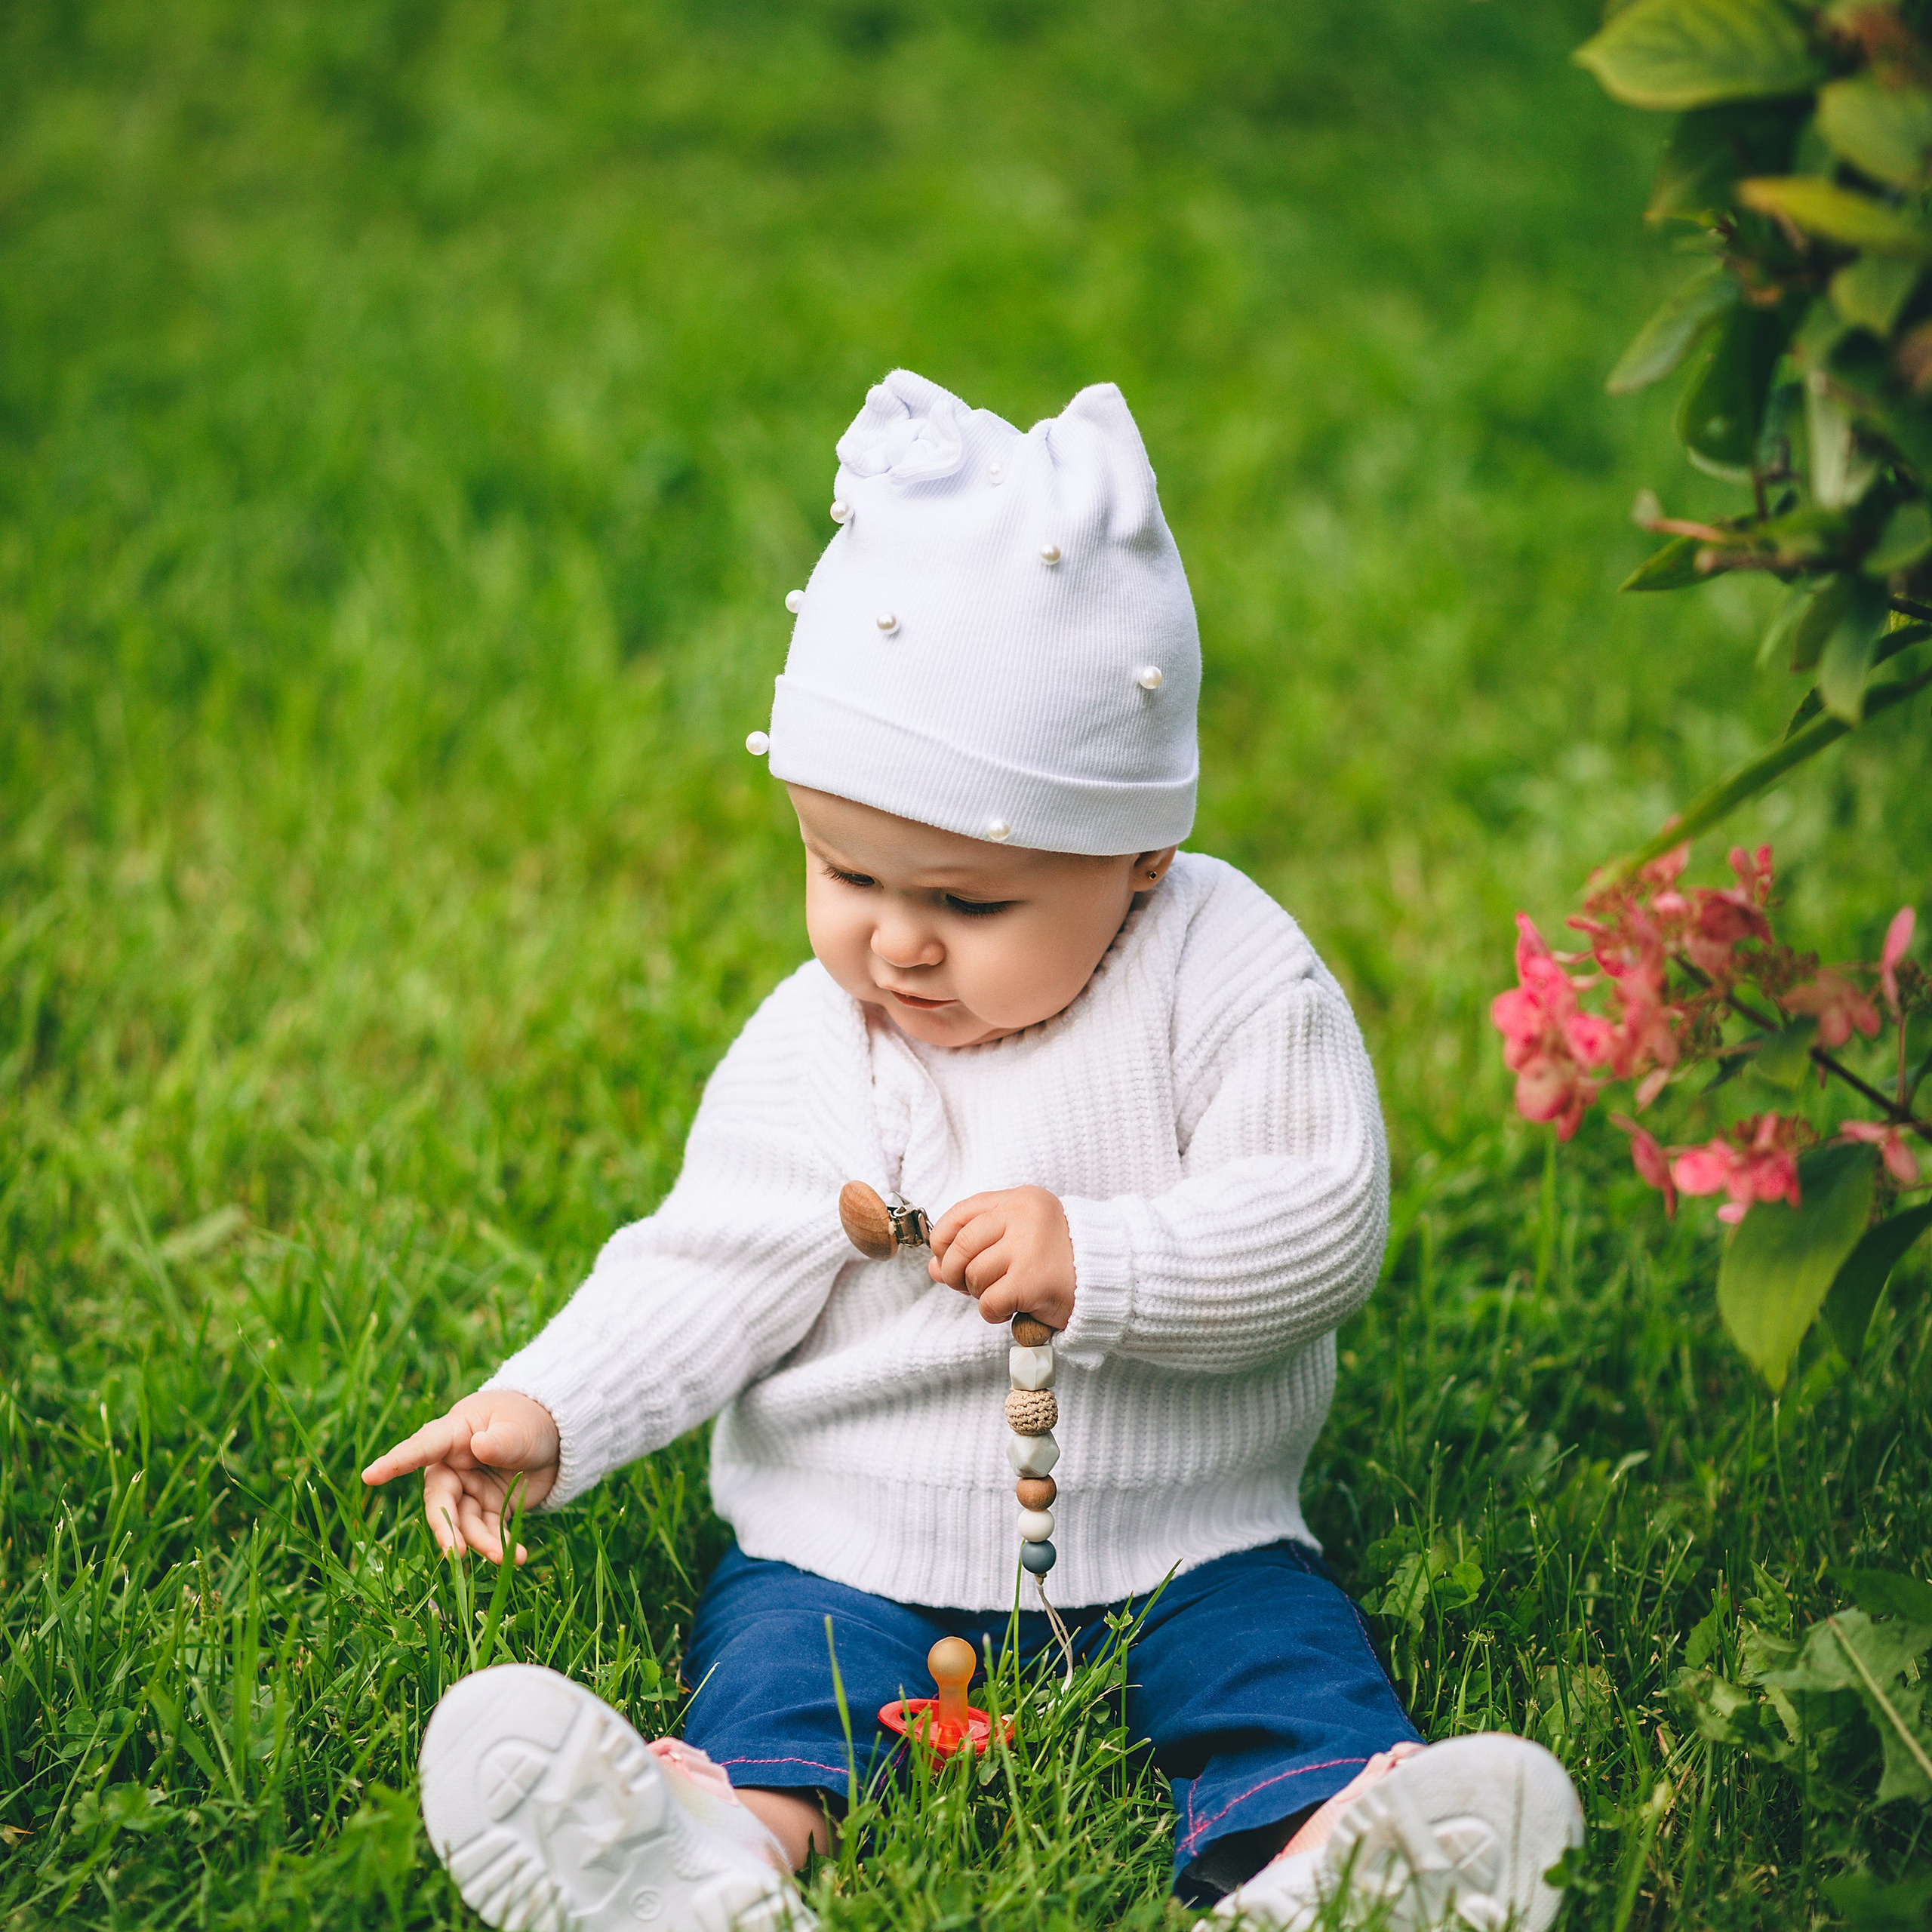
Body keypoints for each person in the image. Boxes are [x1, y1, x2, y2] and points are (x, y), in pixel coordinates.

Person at [363, 371, 1583, 1932]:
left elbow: (1320, 1218)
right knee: (784, 1669)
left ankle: (1333, 1846)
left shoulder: (1226, 974)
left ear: (1139, 856)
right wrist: (552, 1403)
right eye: (843, 871)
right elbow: (707, 1262)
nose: (896, 942)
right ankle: (713, 1845)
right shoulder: (824, 1038)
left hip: (1184, 1528)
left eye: (969, 901)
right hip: (849, 1531)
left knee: (1275, 1658)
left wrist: (1108, 1257)